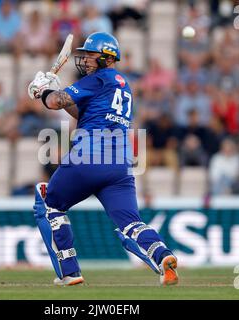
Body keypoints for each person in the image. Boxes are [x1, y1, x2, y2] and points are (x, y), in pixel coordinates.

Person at [27, 32, 178, 286]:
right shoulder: (122, 84)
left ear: (107, 58)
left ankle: (69, 271)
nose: (85, 60)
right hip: (119, 166)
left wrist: (43, 92)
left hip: (88, 158)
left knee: (48, 202)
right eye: (84, 55)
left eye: (90, 55)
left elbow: (55, 102)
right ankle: (163, 256)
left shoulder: (99, 79)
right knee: (131, 223)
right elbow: (79, 110)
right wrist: (53, 92)